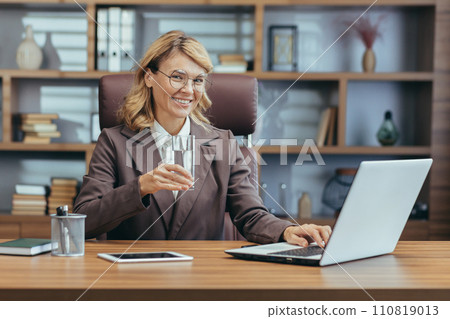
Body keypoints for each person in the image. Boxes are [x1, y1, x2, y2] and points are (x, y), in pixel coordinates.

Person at [73, 30, 331, 247]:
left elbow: (250, 214)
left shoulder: (223, 143)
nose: (188, 90)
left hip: (204, 274)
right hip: (134, 275)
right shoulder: (114, 142)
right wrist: (140, 187)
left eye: (198, 80)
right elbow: (82, 220)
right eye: (177, 77)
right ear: (149, 77)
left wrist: (286, 231)